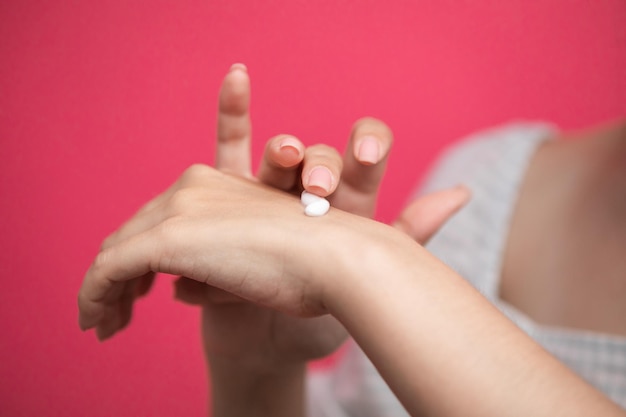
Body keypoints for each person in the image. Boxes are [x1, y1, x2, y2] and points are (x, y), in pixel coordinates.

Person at [77, 65, 626, 417]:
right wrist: (258, 372)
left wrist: (359, 261)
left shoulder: (370, 259)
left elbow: (357, 261)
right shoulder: (486, 174)